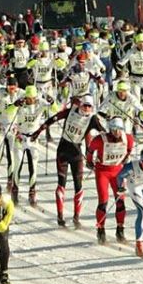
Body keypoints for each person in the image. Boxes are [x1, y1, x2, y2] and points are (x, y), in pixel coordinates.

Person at [32, 94, 105, 227]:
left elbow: (104, 134)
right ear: (80, 104)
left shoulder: (93, 119)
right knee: (62, 184)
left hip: (77, 154)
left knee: (79, 185)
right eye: (85, 105)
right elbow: (52, 119)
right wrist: (37, 132)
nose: (86, 109)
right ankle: (60, 216)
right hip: (63, 151)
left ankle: (76, 217)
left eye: (89, 106)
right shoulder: (70, 111)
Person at [86, 116, 133, 244]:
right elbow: (90, 152)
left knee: (120, 201)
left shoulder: (127, 138)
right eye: (113, 129)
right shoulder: (100, 139)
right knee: (103, 201)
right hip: (103, 172)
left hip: (118, 172)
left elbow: (129, 150)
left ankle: (120, 229)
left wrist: (125, 160)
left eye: (119, 129)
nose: (117, 132)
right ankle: (101, 229)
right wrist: (90, 162)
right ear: (109, 129)